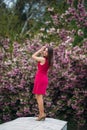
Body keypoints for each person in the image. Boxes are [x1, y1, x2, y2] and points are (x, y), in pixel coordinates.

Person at [32, 45, 53, 121]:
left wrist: (40, 50)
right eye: (44, 50)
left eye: (46, 51)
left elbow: (33, 56)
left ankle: (42, 114)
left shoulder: (42, 59)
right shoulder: (47, 60)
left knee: (39, 97)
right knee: (38, 96)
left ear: (49, 53)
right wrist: (42, 51)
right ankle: (41, 114)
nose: (44, 51)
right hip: (42, 78)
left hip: (41, 79)